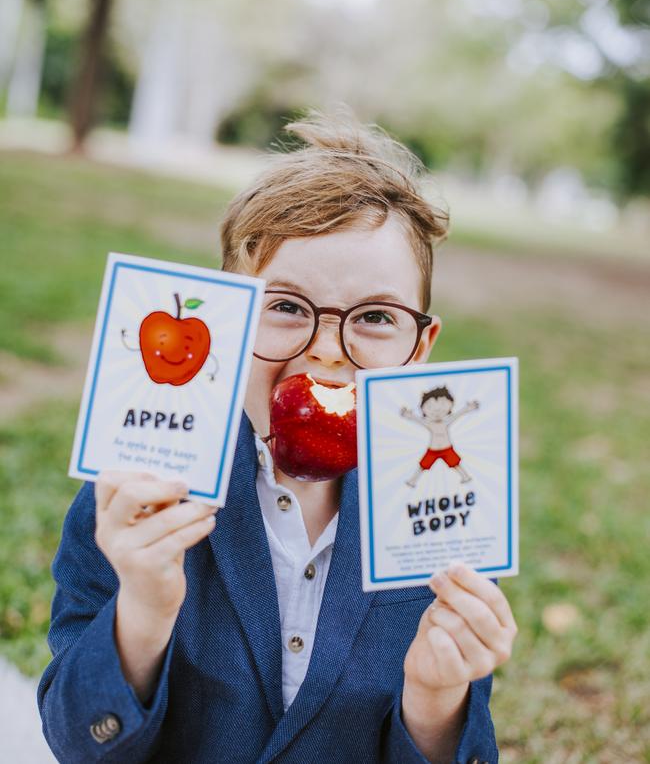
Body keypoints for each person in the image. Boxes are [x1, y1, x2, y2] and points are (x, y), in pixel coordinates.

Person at [37, 108, 517, 763]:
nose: (325, 351)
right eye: (286, 307)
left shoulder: (443, 519)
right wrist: (142, 615)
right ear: (228, 320)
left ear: (419, 348)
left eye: (376, 316)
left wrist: (435, 701)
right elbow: (78, 739)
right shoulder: (134, 496)